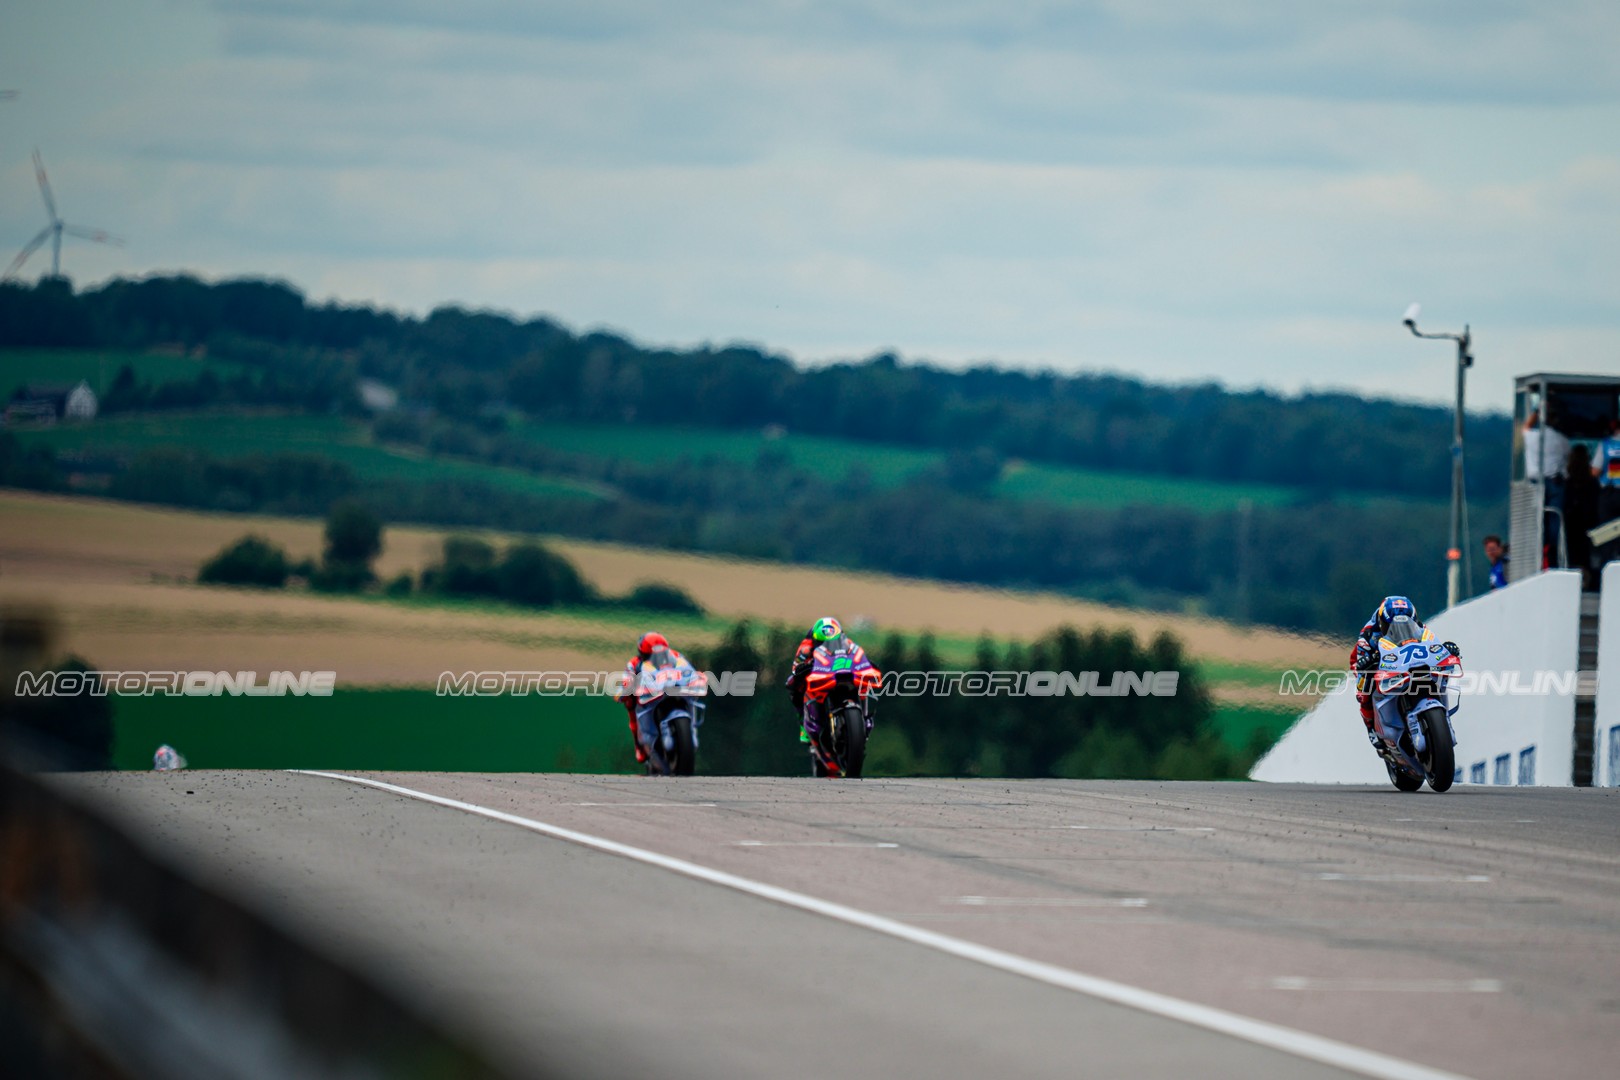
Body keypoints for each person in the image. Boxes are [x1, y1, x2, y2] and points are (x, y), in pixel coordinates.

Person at [1350, 597, 1459, 743]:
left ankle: (1443, 717)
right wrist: (1366, 662)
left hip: (1403, 657)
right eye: (1393, 626)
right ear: (1383, 623)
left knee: (1434, 672)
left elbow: (1432, 644)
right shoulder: (1368, 634)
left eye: (1407, 624)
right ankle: (1371, 729)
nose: (1401, 629)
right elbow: (1360, 660)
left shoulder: (1419, 627)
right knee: (1364, 688)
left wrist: (1445, 650)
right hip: (1368, 658)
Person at [615, 631, 702, 766]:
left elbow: (688, 670)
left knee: (693, 698)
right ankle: (639, 745)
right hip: (650, 693)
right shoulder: (634, 663)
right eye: (650, 655)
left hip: (673, 689)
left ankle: (691, 732)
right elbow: (627, 679)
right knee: (629, 702)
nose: (657, 657)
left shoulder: (676, 656)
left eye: (662, 653)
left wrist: (696, 679)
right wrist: (625, 689)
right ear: (642, 654)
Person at [785, 617, 874, 743]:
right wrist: (803, 668)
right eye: (822, 643)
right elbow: (796, 668)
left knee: (866, 683)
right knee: (792, 685)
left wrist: (864, 664)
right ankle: (803, 724)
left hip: (840, 672)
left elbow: (858, 656)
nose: (827, 646)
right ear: (815, 640)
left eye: (833, 641)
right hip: (819, 675)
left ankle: (866, 717)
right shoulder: (806, 647)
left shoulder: (847, 643)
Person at [1563, 444, 1600, 589]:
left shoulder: (1568, 481)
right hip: (1588, 522)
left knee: (1571, 553)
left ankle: (1573, 580)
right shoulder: (1592, 482)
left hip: (1571, 522)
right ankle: (1588, 580)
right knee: (1586, 554)